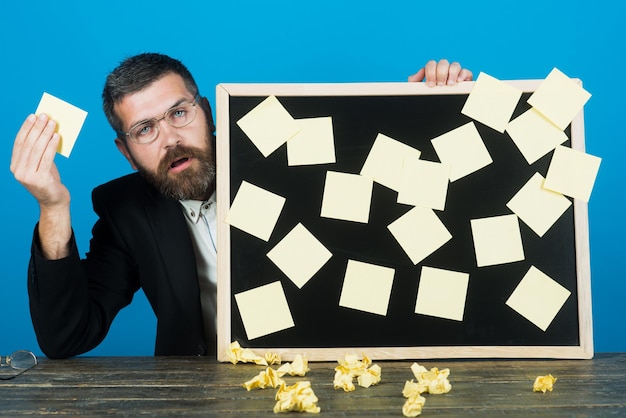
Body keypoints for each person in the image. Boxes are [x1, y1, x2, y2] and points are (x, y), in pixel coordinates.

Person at [10, 54, 473, 358]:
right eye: (144, 129)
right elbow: (67, 337)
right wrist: (53, 207)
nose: (171, 138)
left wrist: (431, 109)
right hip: (207, 394)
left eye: (179, 113)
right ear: (125, 152)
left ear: (208, 112)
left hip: (335, 374)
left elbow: (404, 217)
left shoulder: (291, 160)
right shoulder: (126, 210)